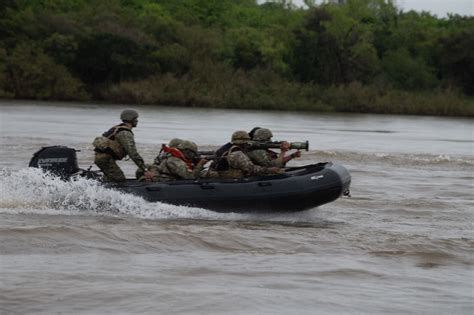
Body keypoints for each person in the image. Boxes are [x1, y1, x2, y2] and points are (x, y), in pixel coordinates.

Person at [93, 109, 153, 182]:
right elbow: (133, 153)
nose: (137, 121)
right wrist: (145, 169)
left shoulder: (118, 128)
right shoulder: (125, 133)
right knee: (119, 179)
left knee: (111, 178)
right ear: (131, 119)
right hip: (105, 159)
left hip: (103, 158)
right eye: (136, 119)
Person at [212, 130, 282, 179]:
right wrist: (269, 170)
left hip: (218, 173)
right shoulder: (237, 153)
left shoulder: (226, 147)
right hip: (227, 177)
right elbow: (251, 169)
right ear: (244, 142)